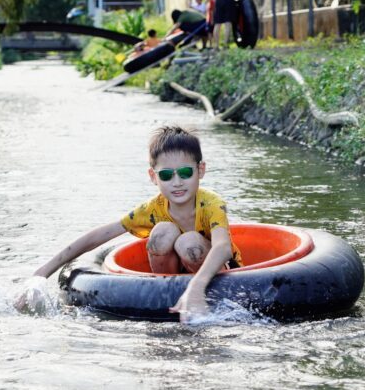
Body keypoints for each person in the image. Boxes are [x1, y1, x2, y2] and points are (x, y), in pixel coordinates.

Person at [23, 126, 243, 322]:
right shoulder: (151, 209)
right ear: (153, 177)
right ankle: (167, 298)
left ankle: (198, 293)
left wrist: (195, 287)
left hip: (217, 280)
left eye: (185, 172)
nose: (177, 182)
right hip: (169, 286)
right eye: (166, 175)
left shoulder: (212, 204)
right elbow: (98, 236)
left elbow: (222, 247)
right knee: (162, 233)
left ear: (200, 170)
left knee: (189, 242)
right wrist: (41, 273)